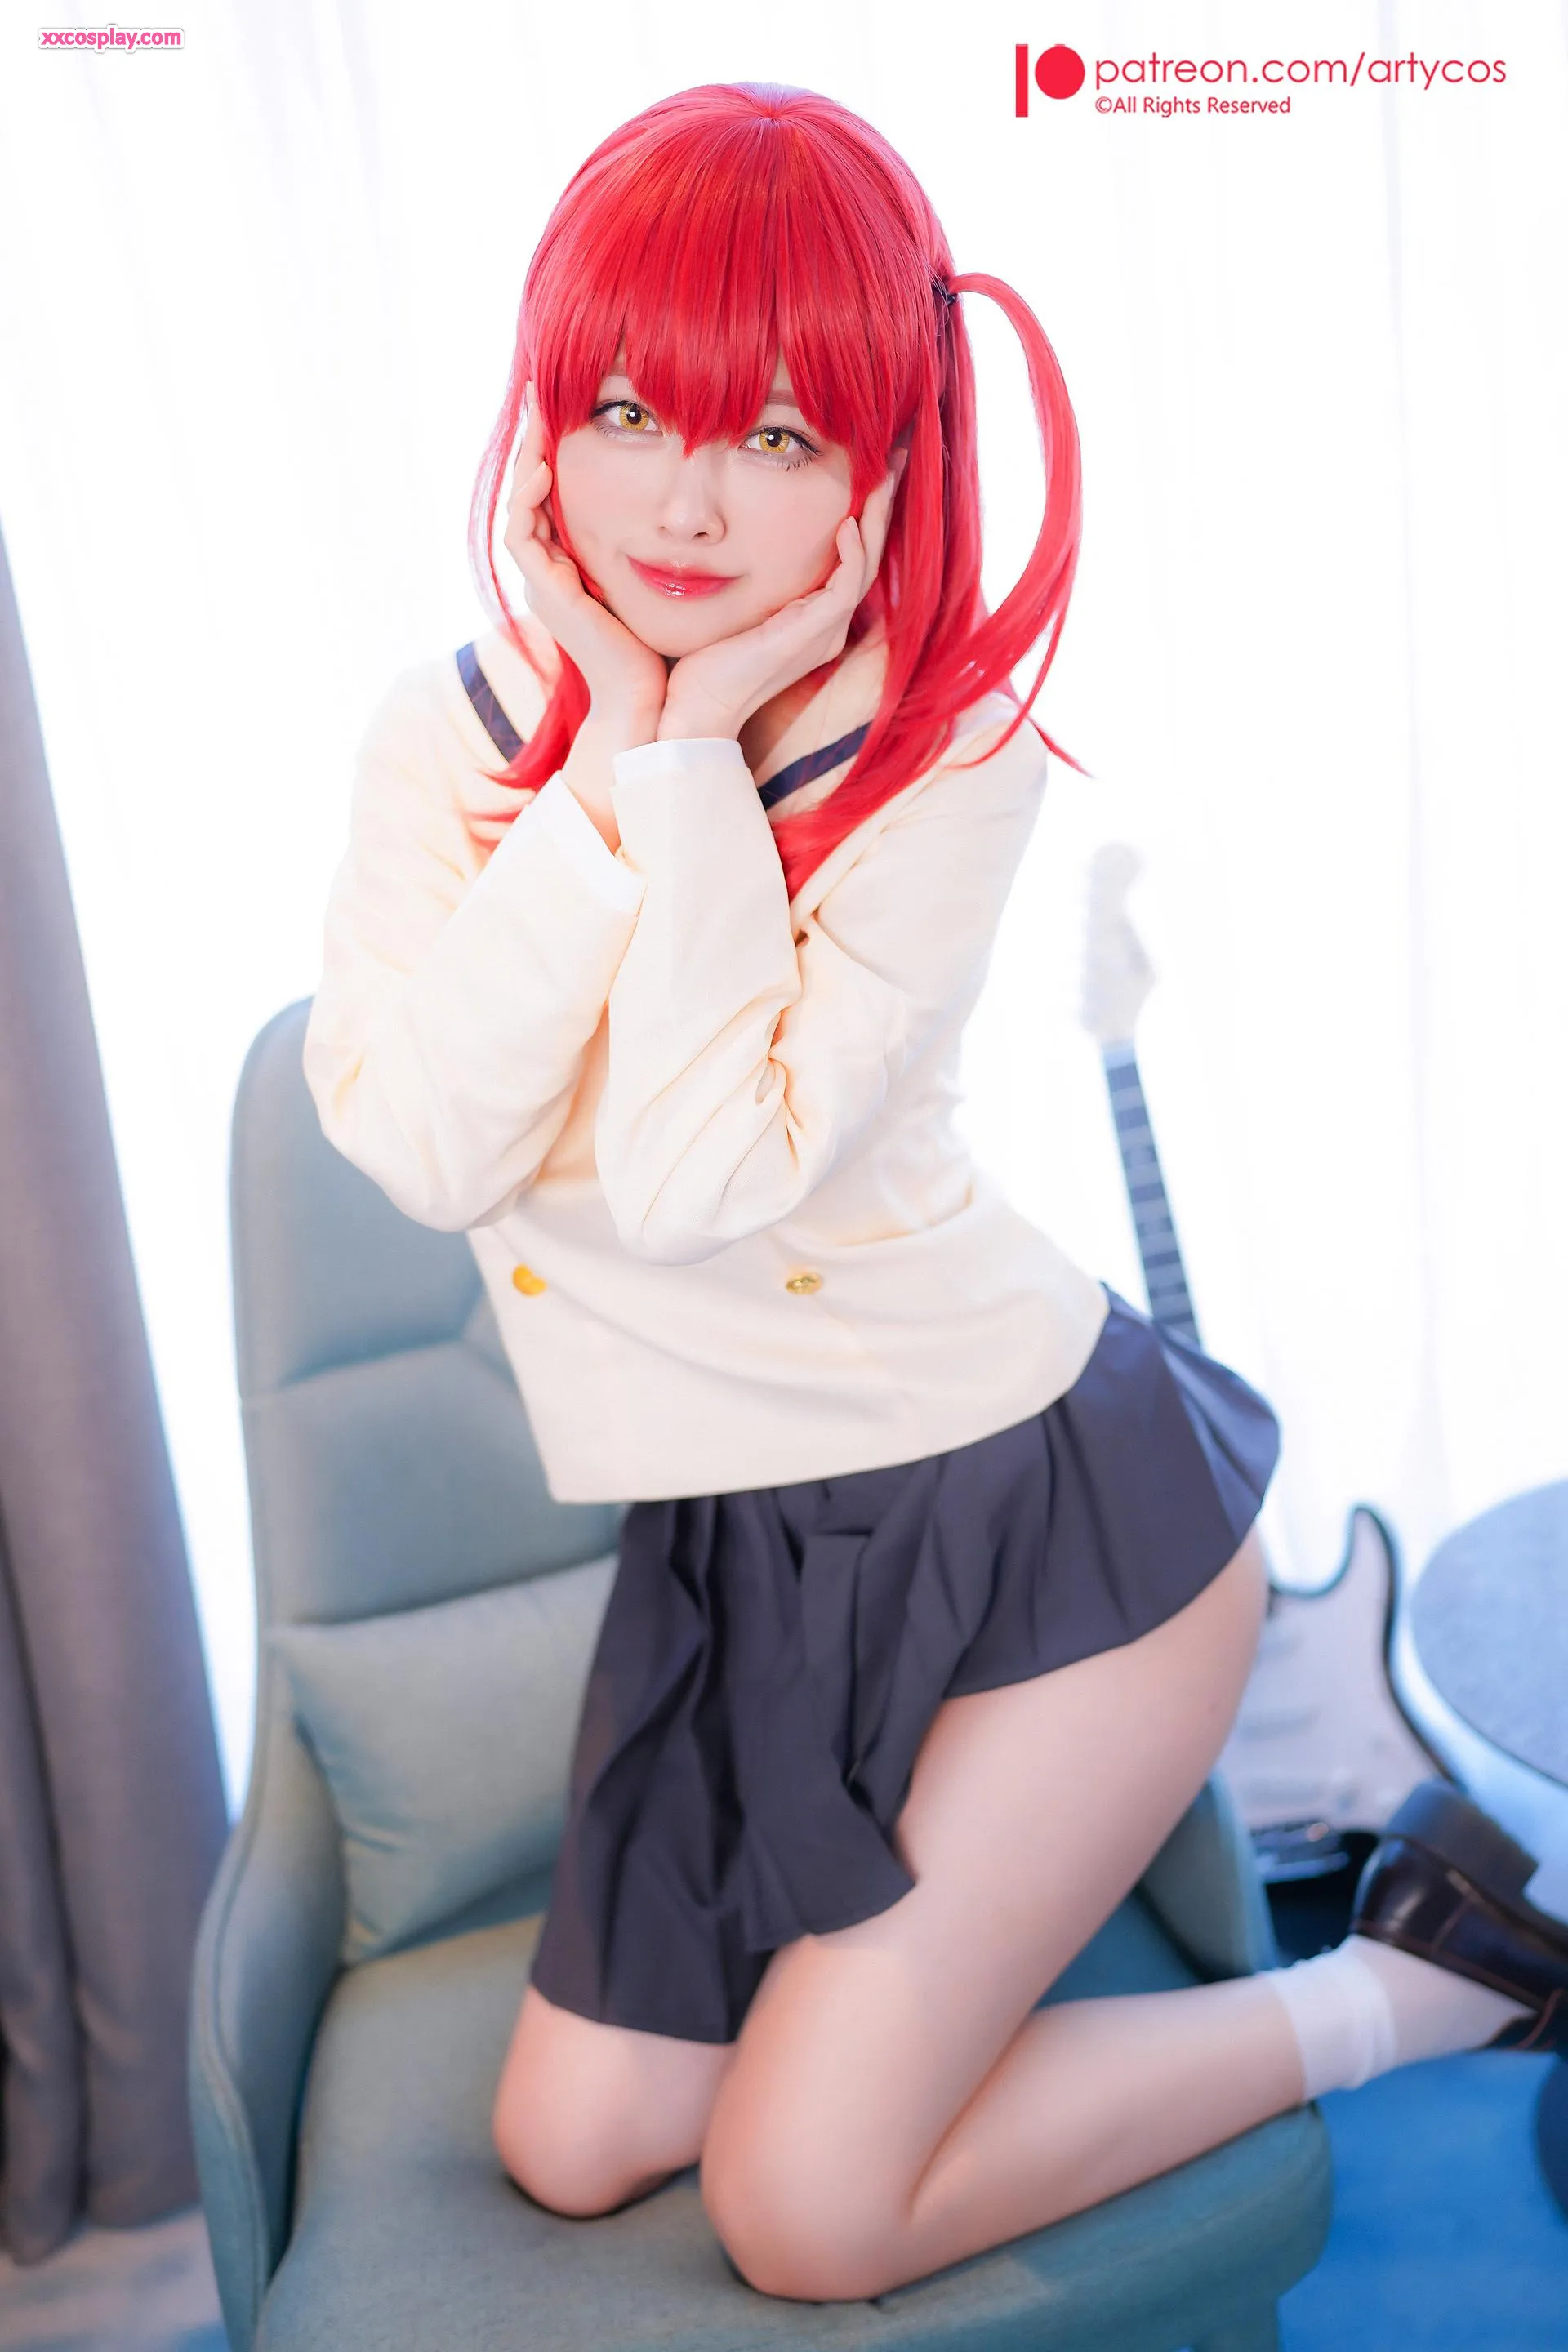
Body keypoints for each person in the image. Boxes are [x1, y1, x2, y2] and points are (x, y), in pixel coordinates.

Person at [302, 80, 1567, 2307]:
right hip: (740, 1546)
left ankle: (1411, 1986)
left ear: (886, 464)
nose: (685, 498)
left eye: (781, 433)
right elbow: (421, 1141)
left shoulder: (942, 754)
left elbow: (695, 1179)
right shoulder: (451, 735)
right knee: (575, 2145)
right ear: (541, 420)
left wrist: (683, 749)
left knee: (805, 2210)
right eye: (627, 409)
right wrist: (619, 758)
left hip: (1047, 1516)